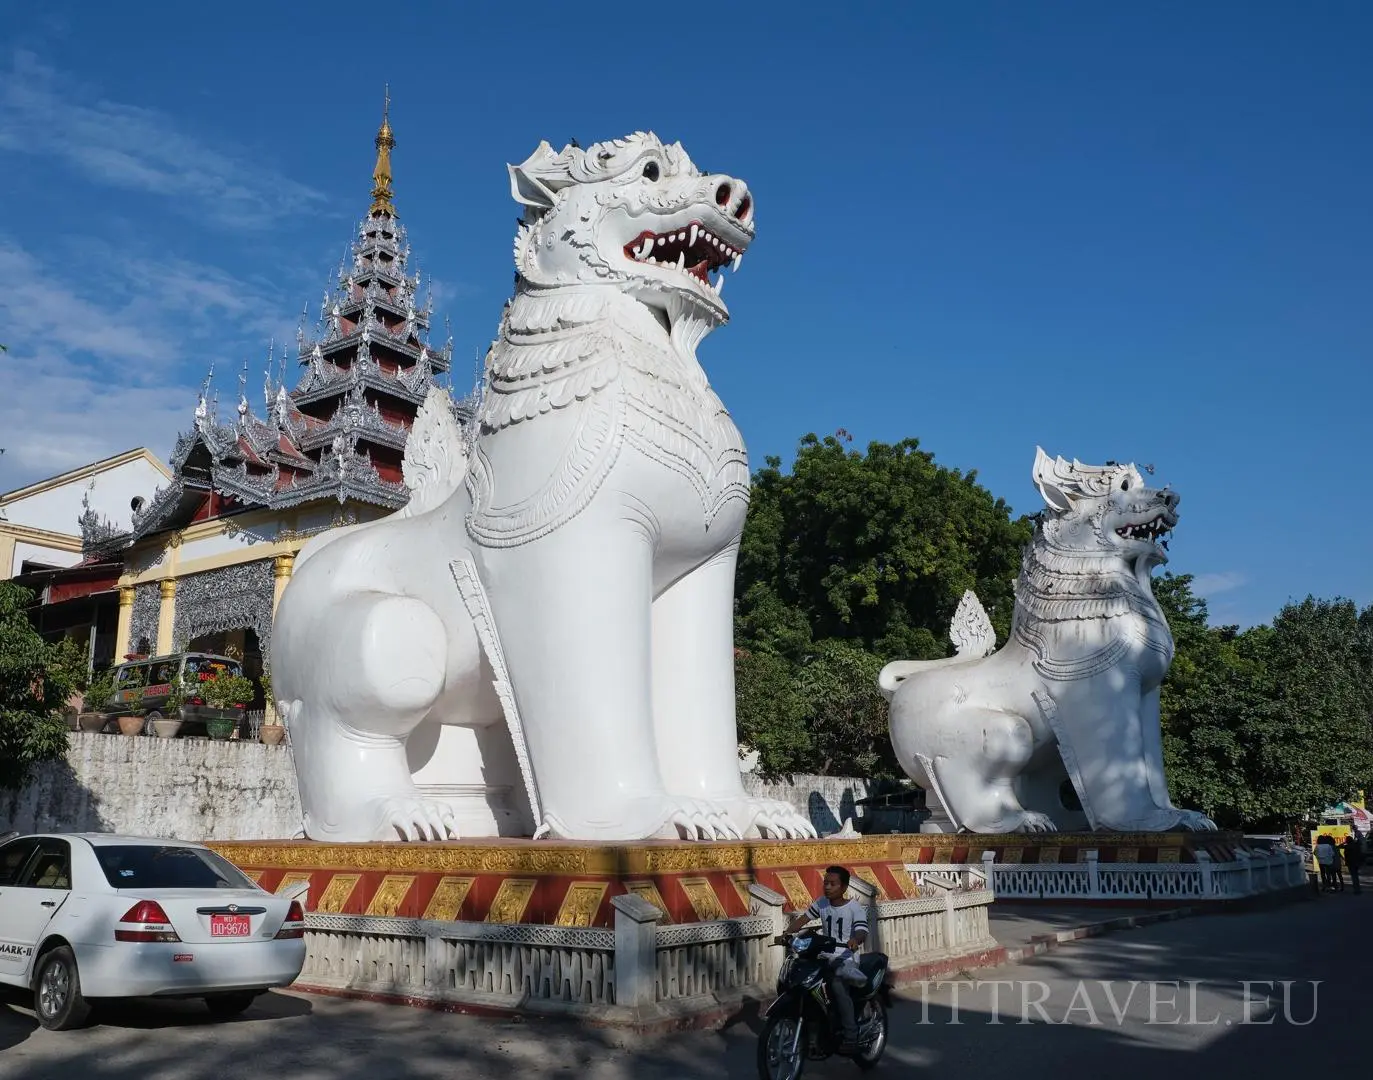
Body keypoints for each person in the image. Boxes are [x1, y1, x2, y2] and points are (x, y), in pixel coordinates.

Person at [784, 865, 868, 1054]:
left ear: (844, 887)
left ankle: (851, 1034)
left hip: (846, 957)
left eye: (833, 884)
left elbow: (862, 930)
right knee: (802, 980)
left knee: (837, 985)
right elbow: (803, 920)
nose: (828, 887)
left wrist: (856, 939)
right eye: (826, 883)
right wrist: (787, 933)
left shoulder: (854, 908)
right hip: (823, 956)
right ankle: (812, 1030)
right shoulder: (822, 903)